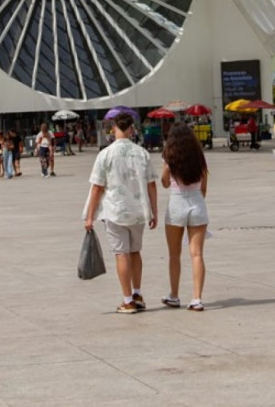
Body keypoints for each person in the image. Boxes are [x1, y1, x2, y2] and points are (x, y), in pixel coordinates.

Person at [83, 112, 158, 314]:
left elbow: (97, 187)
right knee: (135, 252)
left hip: (115, 210)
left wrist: (89, 216)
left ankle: (127, 300)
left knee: (121, 254)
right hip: (138, 212)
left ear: (114, 129)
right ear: (132, 130)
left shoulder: (105, 154)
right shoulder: (142, 153)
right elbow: (152, 184)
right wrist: (154, 211)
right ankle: (137, 292)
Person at [159, 122, 209, 311]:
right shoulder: (199, 156)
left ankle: (174, 294)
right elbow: (204, 188)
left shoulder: (169, 154)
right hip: (197, 202)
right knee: (197, 254)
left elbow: (164, 182)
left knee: (174, 254)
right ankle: (197, 298)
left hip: (176, 204)